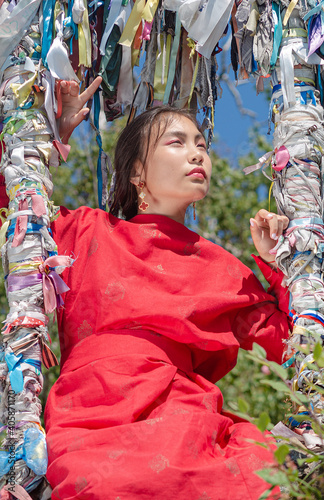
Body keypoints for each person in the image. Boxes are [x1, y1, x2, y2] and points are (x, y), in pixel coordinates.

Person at [1, 78, 291, 499]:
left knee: (272, 471)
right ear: (137, 171)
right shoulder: (84, 231)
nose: (197, 153)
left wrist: (276, 261)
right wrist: (48, 135)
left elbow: (289, 346)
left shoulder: (221, 267)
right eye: (177, 142)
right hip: (88, 421)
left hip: (186, 425)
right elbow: (12, 207)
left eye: (202, 145)